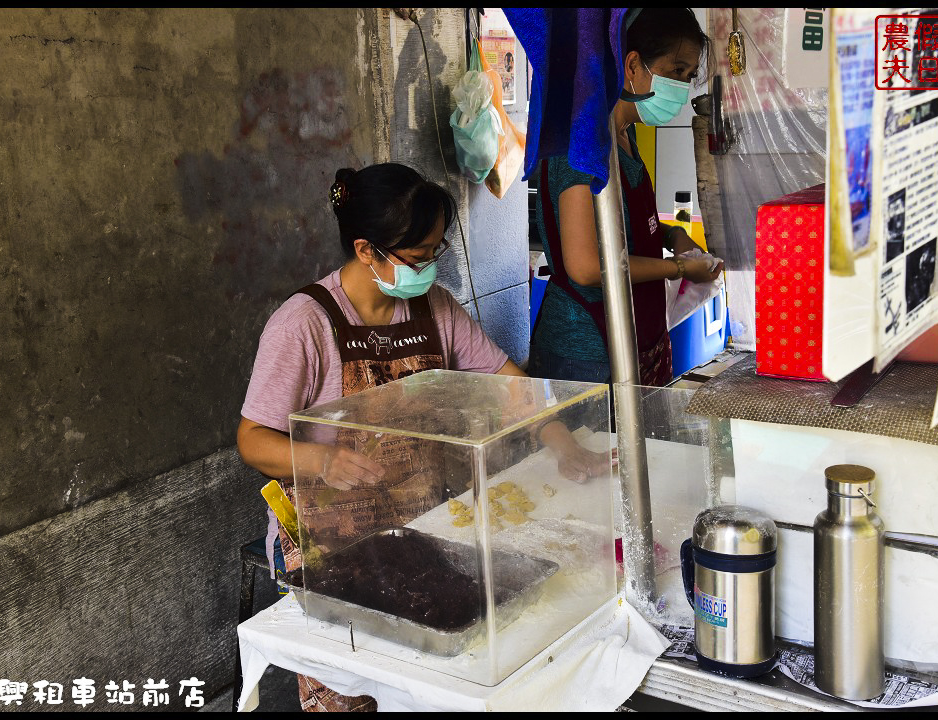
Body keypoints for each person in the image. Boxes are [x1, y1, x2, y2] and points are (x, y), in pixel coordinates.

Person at [237, 162, 604, 712]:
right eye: (418, 257)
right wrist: (321, 460)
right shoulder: (304, 324)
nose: (431, 266)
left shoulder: (434, 309)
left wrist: (560, 437)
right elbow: (251, 439)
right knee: (357, 688)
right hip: (334, 540)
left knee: (440, 680)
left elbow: (507, 383)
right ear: (366, 250)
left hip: (423, 523)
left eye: (437, 251)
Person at [529, 7, 724, 386]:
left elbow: (625, 226)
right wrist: (681, 268)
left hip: (635, 331)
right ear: (632, 64)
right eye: (675, 71)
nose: (682, 86)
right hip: (586, 351)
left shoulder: (625, 135)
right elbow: (585, 267)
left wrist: (672, 237)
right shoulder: (583, 147)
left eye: (688, 75)